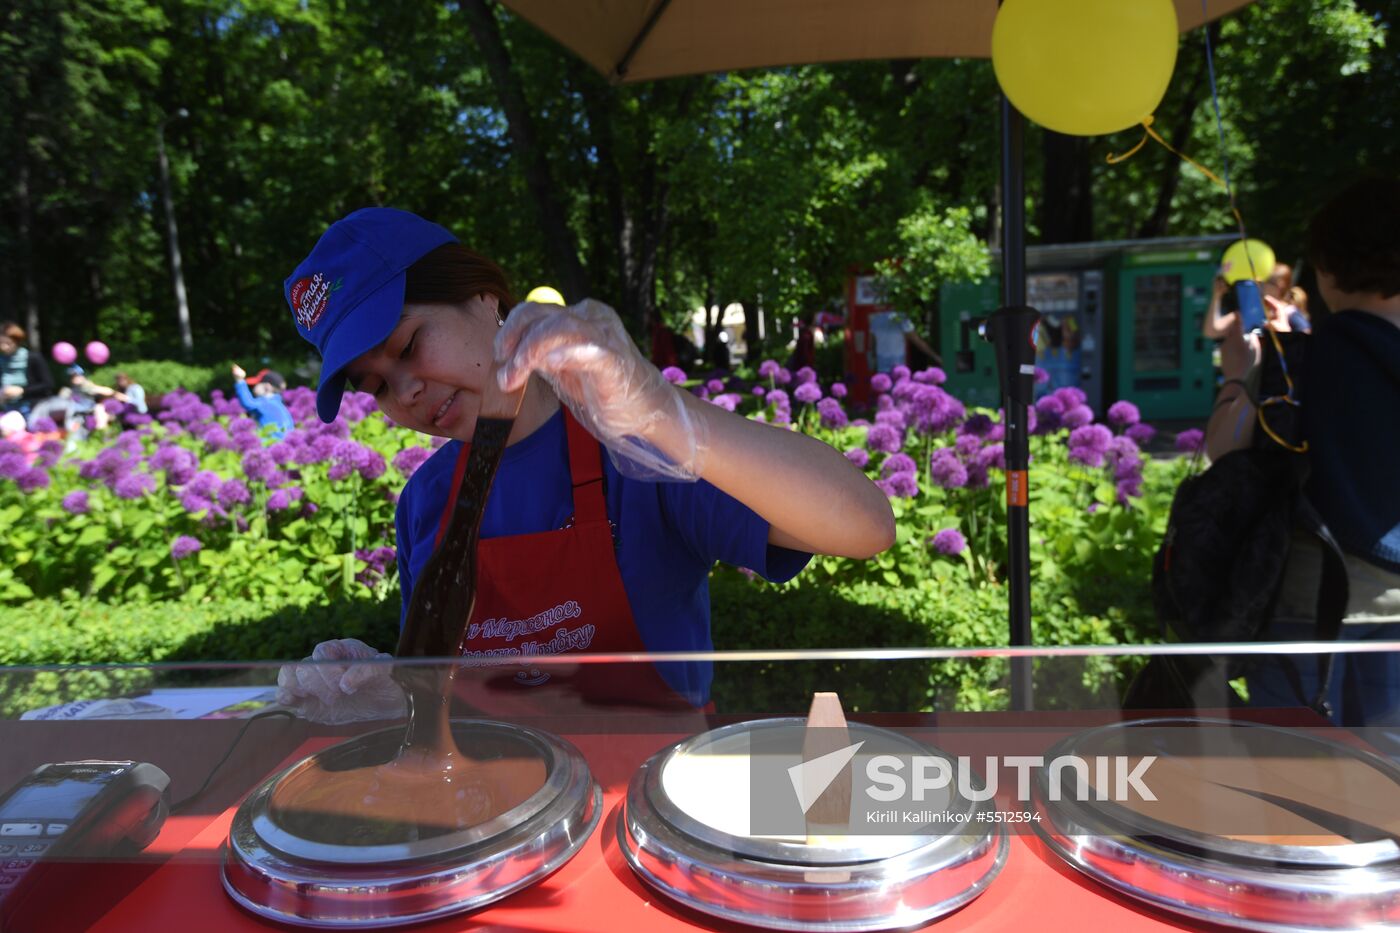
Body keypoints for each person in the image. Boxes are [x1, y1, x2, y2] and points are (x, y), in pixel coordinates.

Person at [275, 207, 895, 721]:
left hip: (650, 807)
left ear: (483, 297)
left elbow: (865, 525)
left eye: (409, 345)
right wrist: (390, 694)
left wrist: (659, 411)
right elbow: (438, 693)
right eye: (376, 385)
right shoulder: (425, 503)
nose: (405, 391)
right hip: (498, 823)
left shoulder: (635, 452)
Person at [1205, 176, 1400, 728]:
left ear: (1328, 268)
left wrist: (1239, 377)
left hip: (1312, 603)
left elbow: (1226, 448)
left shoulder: (1301, 359)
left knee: (1294, 777)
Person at [0, 322, 53, 418]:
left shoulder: (33, 358)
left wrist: (22, 391)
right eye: (0, 343)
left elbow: (47, 384)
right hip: (8, 409)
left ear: (17, 341)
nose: (3, 347)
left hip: (34, 408)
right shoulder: (1, 361)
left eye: (8, 343)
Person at [231, 364, 294, 440]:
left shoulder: (267, 402)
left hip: (270, 446)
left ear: (267, 387)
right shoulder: (279, 405)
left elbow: (248, 403)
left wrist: (239, 380)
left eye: (257, 384)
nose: (253, 387)